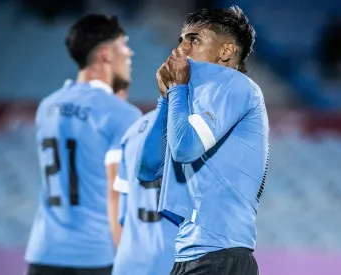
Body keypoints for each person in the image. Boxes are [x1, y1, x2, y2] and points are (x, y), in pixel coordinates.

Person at [135, 6, 269, 275]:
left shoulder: (236, 86)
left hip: (220, 255)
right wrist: (167, 97)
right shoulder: (192, 100)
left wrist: (179, 89)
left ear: (226, 51)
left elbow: (185, 149)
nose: (180, 49)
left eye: (193, 39)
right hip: (194, 253)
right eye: (180, 40)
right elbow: (147, 169)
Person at [25, 14, 141, 275]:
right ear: (105, 54)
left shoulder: (47, 106)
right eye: (123, 45)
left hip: (44, 252)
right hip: (94, 256)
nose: (129, 52)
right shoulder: (122, 114)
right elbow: (117, 195)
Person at [111, 110, 178, 275]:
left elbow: (122, 216)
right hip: (175, 262)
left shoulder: (131, 132)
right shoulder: (198, 129)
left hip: (129, 263)